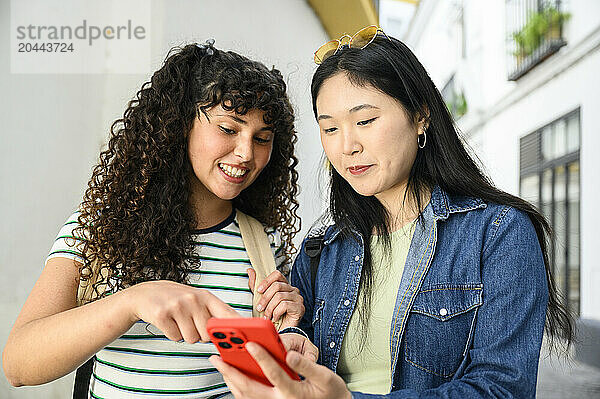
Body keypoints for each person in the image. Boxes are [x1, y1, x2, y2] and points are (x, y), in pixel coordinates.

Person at [211, 27, 575, 398]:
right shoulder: (321, 248)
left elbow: (502, 390)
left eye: (365, 121)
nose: (347, 146)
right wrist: (291, 336)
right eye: (330, 128)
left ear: (420, 116)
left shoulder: (498, 233)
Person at [2, 40, 307, 398]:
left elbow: (266, 381)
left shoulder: (265, 245)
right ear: (181, 126)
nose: (245, 153)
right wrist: (132, 301)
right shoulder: (100, 227)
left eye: (262, 138)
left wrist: (289, 334)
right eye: (228, 129)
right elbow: (18, 366)